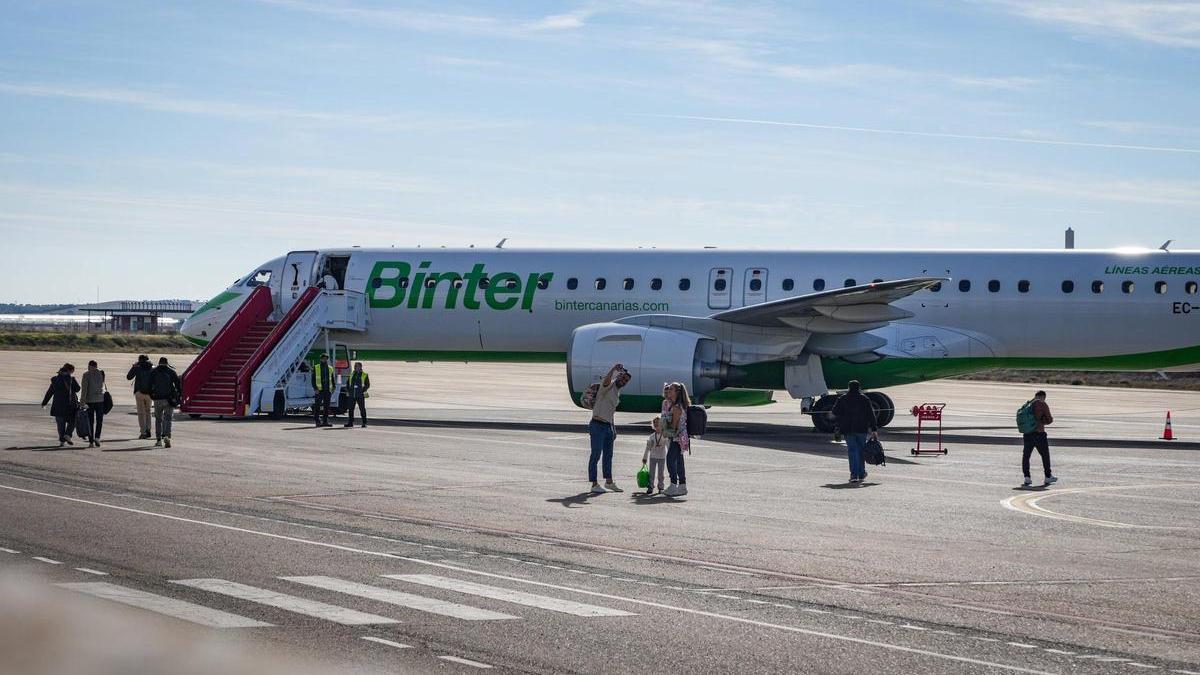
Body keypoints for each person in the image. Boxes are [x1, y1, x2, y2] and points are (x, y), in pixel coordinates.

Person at [587, 363, 630, 494]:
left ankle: (609, 481)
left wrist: (613, 428)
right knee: (596, 454)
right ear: (617, 378)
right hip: (597, 425)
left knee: (608, 455)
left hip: (607, 426)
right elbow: (606, 380)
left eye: (625, 381)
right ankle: (594, 483)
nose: (623, 382)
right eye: (622, 379)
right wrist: (613, 369)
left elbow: (611, 412)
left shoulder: (617, 392)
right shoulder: (606, 386)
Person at [831, 381, 878, 484]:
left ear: (849, 388)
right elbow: (871, 414)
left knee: (852, 451)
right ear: (859, 388)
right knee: (861, 451)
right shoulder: (864, 399)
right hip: (861, 428)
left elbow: (835, 412)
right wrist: (874, 429)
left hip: (847, 429)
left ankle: (854, 474)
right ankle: (861, 473)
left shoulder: (842, 398)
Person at [1022, 390, 1058, 487]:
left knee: (1026, 456)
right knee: (1045, 455)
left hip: (1027, 434)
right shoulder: (1042, 405)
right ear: (1042, 397)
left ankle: (1027, 477)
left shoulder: (1027, 405)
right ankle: (1047, 476)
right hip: (1039, 434)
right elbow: (1049, 420)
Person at [662, 382, 691, 496]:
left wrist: (665, 431)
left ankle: (673, 485)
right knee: (679, 461)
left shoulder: (676, 407)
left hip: (677, 438)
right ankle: (682, 486)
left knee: (670, 460)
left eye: (671, 390)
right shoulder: (678, 405)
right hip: (682, 438)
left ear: (677, 392)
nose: (669, 391)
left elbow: (673, 427)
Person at [41, 363, 79, 447]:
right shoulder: (71, 379)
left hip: (58, 405)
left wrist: (44, 402)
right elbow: (78, 389)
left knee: (60, 424)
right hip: (70, 405)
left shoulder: (55, 380)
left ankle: (62, 440)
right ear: (70, 370)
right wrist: (73, 381)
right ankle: (68, 434)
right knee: (73, 420)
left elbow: (50, 392)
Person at [150, 357, 181, 448]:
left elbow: (149, 385)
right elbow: (178, 385)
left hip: (157, 399)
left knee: (158, 420)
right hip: (168, 399)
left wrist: (153, 396)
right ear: (167, 363)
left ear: (159, 363)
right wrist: (177, 396)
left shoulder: (154, 372)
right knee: (168, 419)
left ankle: (158, 439)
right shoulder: (171, 371)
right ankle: (167, 436)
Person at [79, 360, 107, 447]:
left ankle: (91, 441)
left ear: (90, 366)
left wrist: (82, 401)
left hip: (90, 401)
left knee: (90, 421)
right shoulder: (101, 373)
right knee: (99, 420)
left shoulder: (86, 375)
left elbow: (84, 389)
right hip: (100, 400)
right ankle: (97, 437)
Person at [127, 354, 154, 439]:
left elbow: (129, 377)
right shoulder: (152, 368)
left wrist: (133, 367)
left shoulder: (137, 367)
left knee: (141, 413)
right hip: (150, 393)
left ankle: (143, 432)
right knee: (148, 411)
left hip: (139, 392)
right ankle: (148, 429)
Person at [641, 416, 669, 496]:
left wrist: (670, 455)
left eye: (659, 424)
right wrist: (645, 457)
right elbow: (648, 448)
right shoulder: (652, 436)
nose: (657, 426)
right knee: (651, 473)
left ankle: (661, 487)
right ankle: (650, 486)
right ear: (653, 425)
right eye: (655, 424)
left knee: (661, 473)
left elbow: (668, 446)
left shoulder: (664, 435)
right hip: (653, 456)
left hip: (662, 457)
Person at [311, 353, 335, 427]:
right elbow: (313, 379)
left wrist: (333, 387)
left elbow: (332, 379)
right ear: (321, 359)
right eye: (323, 358)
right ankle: (317, 421)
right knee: (317, 406)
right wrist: (315, 388)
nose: (325, 360)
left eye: (326, 358)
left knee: (327, 406)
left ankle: (325, 421)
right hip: (319, 390)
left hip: (327, 390)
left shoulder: (330, 368)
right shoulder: (316, 367)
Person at [344, 362, 369, 428]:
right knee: (351, 409)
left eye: (357, 366)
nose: (356, 368)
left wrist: (362, 391)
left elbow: (367, 385)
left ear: (361, 367)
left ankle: (364, 423)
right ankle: (350, 423)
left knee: (362, 409)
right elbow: (347, 383)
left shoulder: (364, 375)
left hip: (360, 395)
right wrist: (348, 390)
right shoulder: (352, 374)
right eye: (355, 366)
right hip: (352, 395)